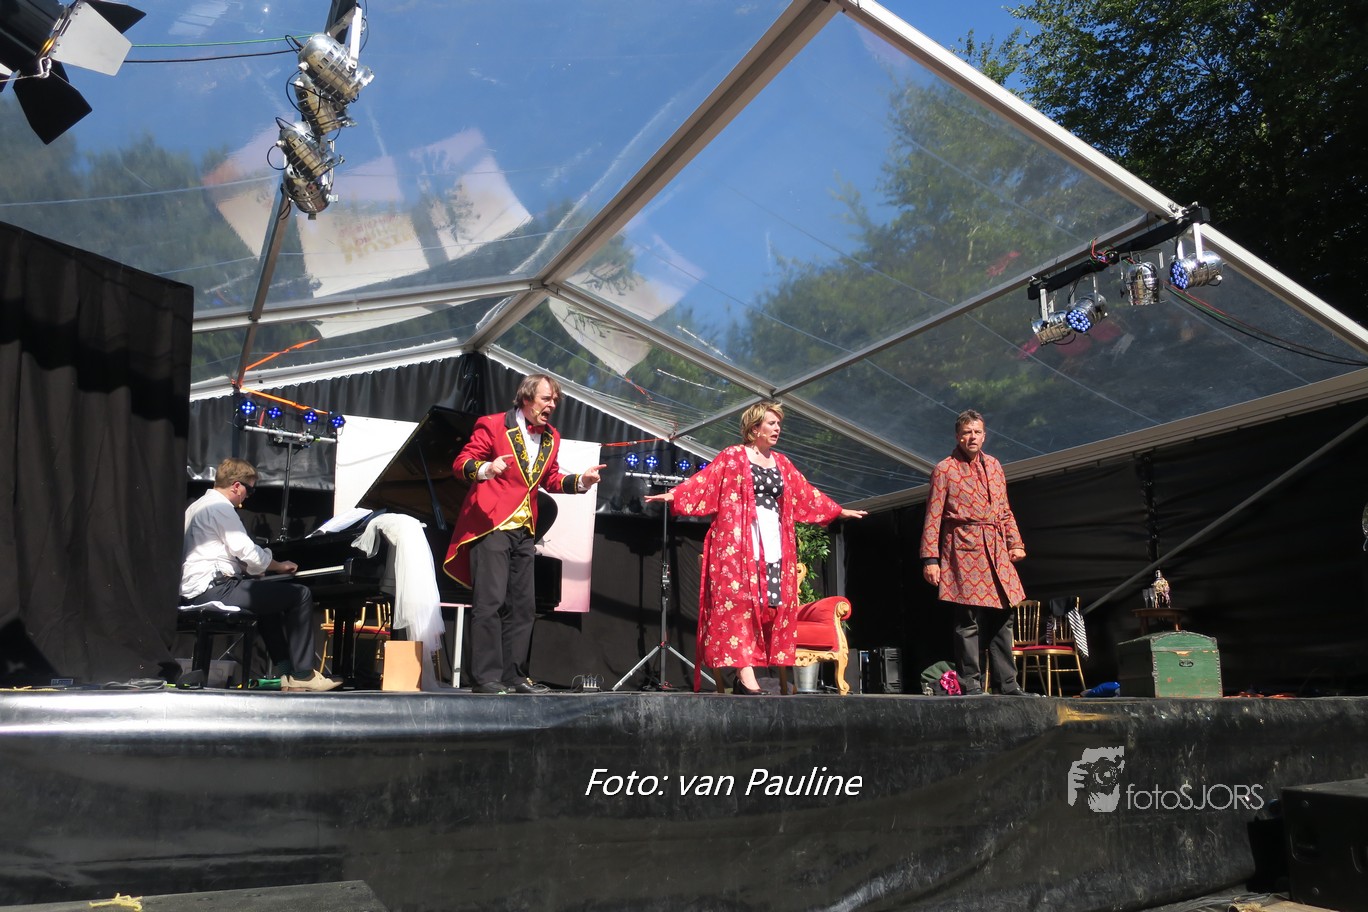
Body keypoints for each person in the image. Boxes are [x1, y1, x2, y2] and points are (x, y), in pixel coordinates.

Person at [645, 401, 866, 694]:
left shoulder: (782, 462)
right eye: (771, 423)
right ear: (754, 428)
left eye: (778, 424)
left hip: (773, 540)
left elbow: (805, 493)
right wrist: (674, 495)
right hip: (739, 541)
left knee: (769, 604)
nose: (777, 428)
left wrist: (837, 511)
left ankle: (755, 671)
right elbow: (705, 482)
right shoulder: (733, 456)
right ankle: (745, 674)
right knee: (739, 603)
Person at [443, 374, 605, 694]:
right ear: (527, 399)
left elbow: (551, 479)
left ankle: (514, 676)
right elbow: (461, 463)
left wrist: (581, 482)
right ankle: (486, 678)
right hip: (491, 525)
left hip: (525, 529)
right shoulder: (493, 425)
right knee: (490, 602)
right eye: (546, 399)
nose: (552, 405)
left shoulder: (551, 437)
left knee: (523, 607)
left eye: (555, 400)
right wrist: (486, 469)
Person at [181, 458, 340, 691]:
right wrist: (278, 565)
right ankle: (304, 675)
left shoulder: (196, 507)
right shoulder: (221, 508)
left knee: (266, 605)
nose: (248, 496)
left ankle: (286, 673)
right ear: (237, 486)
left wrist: (253, 569)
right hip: (216, 589)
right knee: (301, 595)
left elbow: (222, 553)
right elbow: (249, 553)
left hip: (197, 590)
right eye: (250, 490)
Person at [920, 409, 1032, 695]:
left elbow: (1004, 509)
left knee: (1003, 616)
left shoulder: (994, 465)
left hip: (995, 548)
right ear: (958, 436)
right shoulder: (945, 469)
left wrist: (1015, 542)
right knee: (967, 619)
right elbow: (933, 516)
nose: (972, 437)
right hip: (964, 548)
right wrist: (930, 559)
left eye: (977, 432)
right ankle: (970, 684)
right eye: (967, 432)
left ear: (984, 436)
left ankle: (1007, 684)